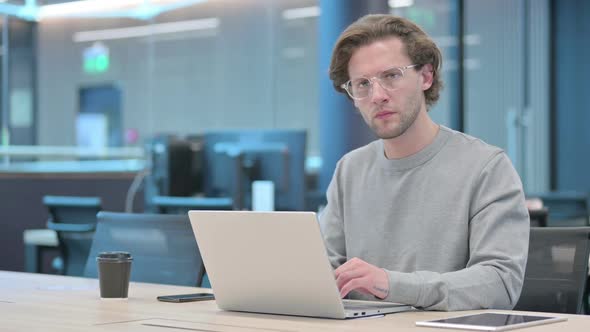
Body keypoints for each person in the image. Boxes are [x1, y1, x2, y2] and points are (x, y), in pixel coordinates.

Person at [320, 14, 529, 311]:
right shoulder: (350, 170)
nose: (377, 95)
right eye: (362, 83)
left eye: (391, 75)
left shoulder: (486, 167)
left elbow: (499, 283)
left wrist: (393, 285)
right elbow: (323, 268)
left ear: (426, 76)